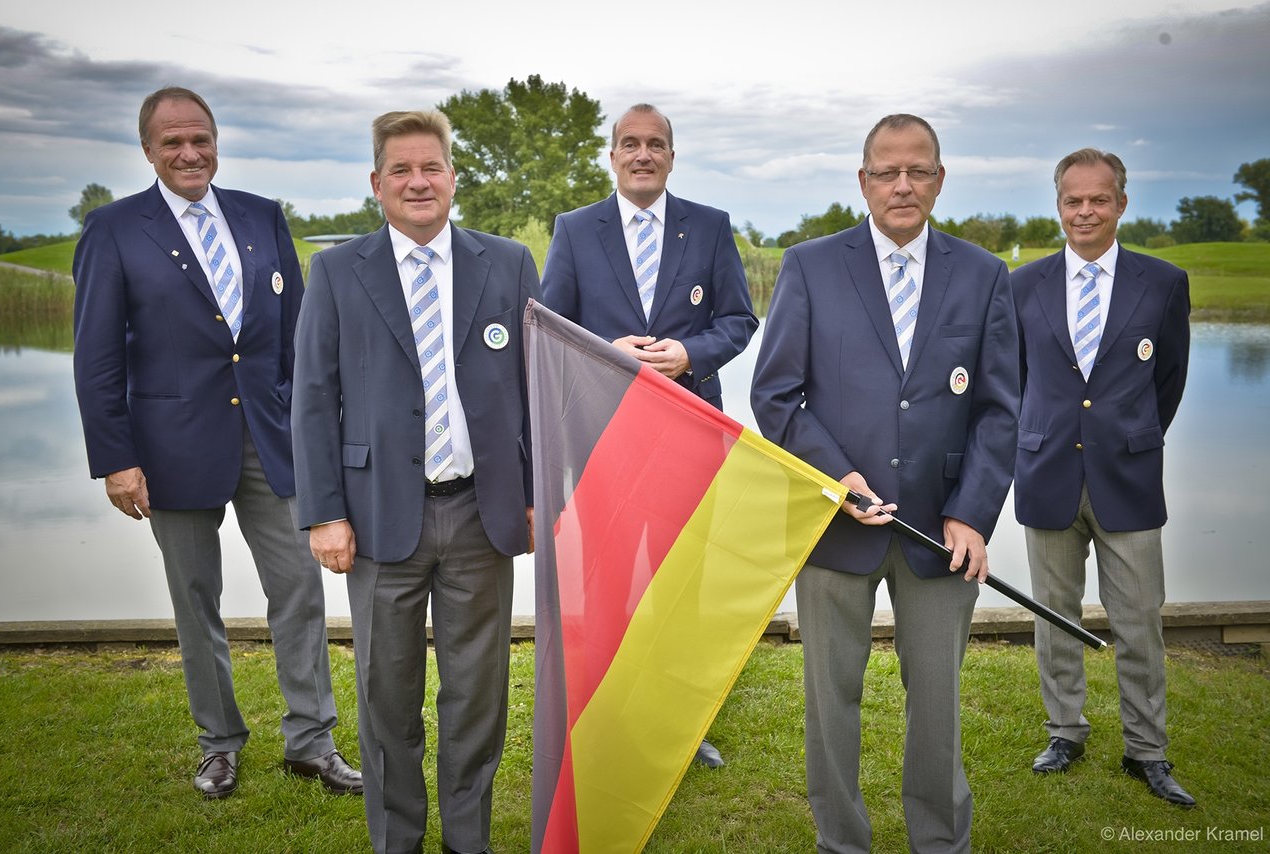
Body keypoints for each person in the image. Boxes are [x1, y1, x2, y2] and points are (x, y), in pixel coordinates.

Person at [72, 86, 361, 800]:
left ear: (216, 141)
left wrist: (318, 433)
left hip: (272, 437)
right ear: (148, 150)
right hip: (169, 448)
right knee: (195, 598)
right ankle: (219, 744)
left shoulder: (262, 217)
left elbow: (298, 342)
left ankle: (311, 742)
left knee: (298, 590)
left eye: (199, 138)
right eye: (172, 142)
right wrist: (115, 457)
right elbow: (97, 356)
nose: (189, 152)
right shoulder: (112, 230)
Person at [750, 114, 1019, 852]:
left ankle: (940, 840)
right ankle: (842, 840)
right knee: (830, 702)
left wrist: (975, 514)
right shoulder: (809, 265)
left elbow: (1001, 409)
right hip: (834, 524)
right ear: (863, 180)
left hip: (942, 530)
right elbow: (776, 395)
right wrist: (838, 476)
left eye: (919, 170)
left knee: (937, 701)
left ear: (939, 178)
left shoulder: (984, 274)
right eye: (887, 171)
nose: (903, 184)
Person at [291, 109, 538, 854]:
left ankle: (468, 840)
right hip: (376, 519)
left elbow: (534, 389)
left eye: (431, 167)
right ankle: (397, 839)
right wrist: (323, 513)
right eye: (401, 169)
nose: (418, 181)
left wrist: (532, 496)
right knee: (385, 694)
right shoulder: (337, 271)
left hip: (480, 516)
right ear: (377, 184)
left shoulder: (509, 262)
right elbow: (311, 396)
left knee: (477, 698)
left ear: (454, 178)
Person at [541, 104, 757, 767]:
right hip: (605, 435)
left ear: (670, 155)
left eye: (654, 144)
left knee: (681, 587)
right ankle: (607, 717)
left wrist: (689, 355)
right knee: (607, 582)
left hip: (689, 434)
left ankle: (680, 727)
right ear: (611, 156)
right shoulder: (576, 230)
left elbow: (738, 320)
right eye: (629, 144)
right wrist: (607, 350)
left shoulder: (711, 227)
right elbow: (549, 322)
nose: (642, 154)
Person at [1014, 149, 1193, 806]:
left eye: (1098, 199)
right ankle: (1065, 730)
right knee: (1052, 614)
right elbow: (1017, 383)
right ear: (1057, 203)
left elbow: (1166, 380)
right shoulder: (1022, 286)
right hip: (1046, 469)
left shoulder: (1164, 282)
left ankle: (1147, 750)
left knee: (1140, 619)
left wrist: (1132, 435)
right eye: (1072, 200)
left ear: (1121, 202)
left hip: (1130, 477)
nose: (1084, 211)